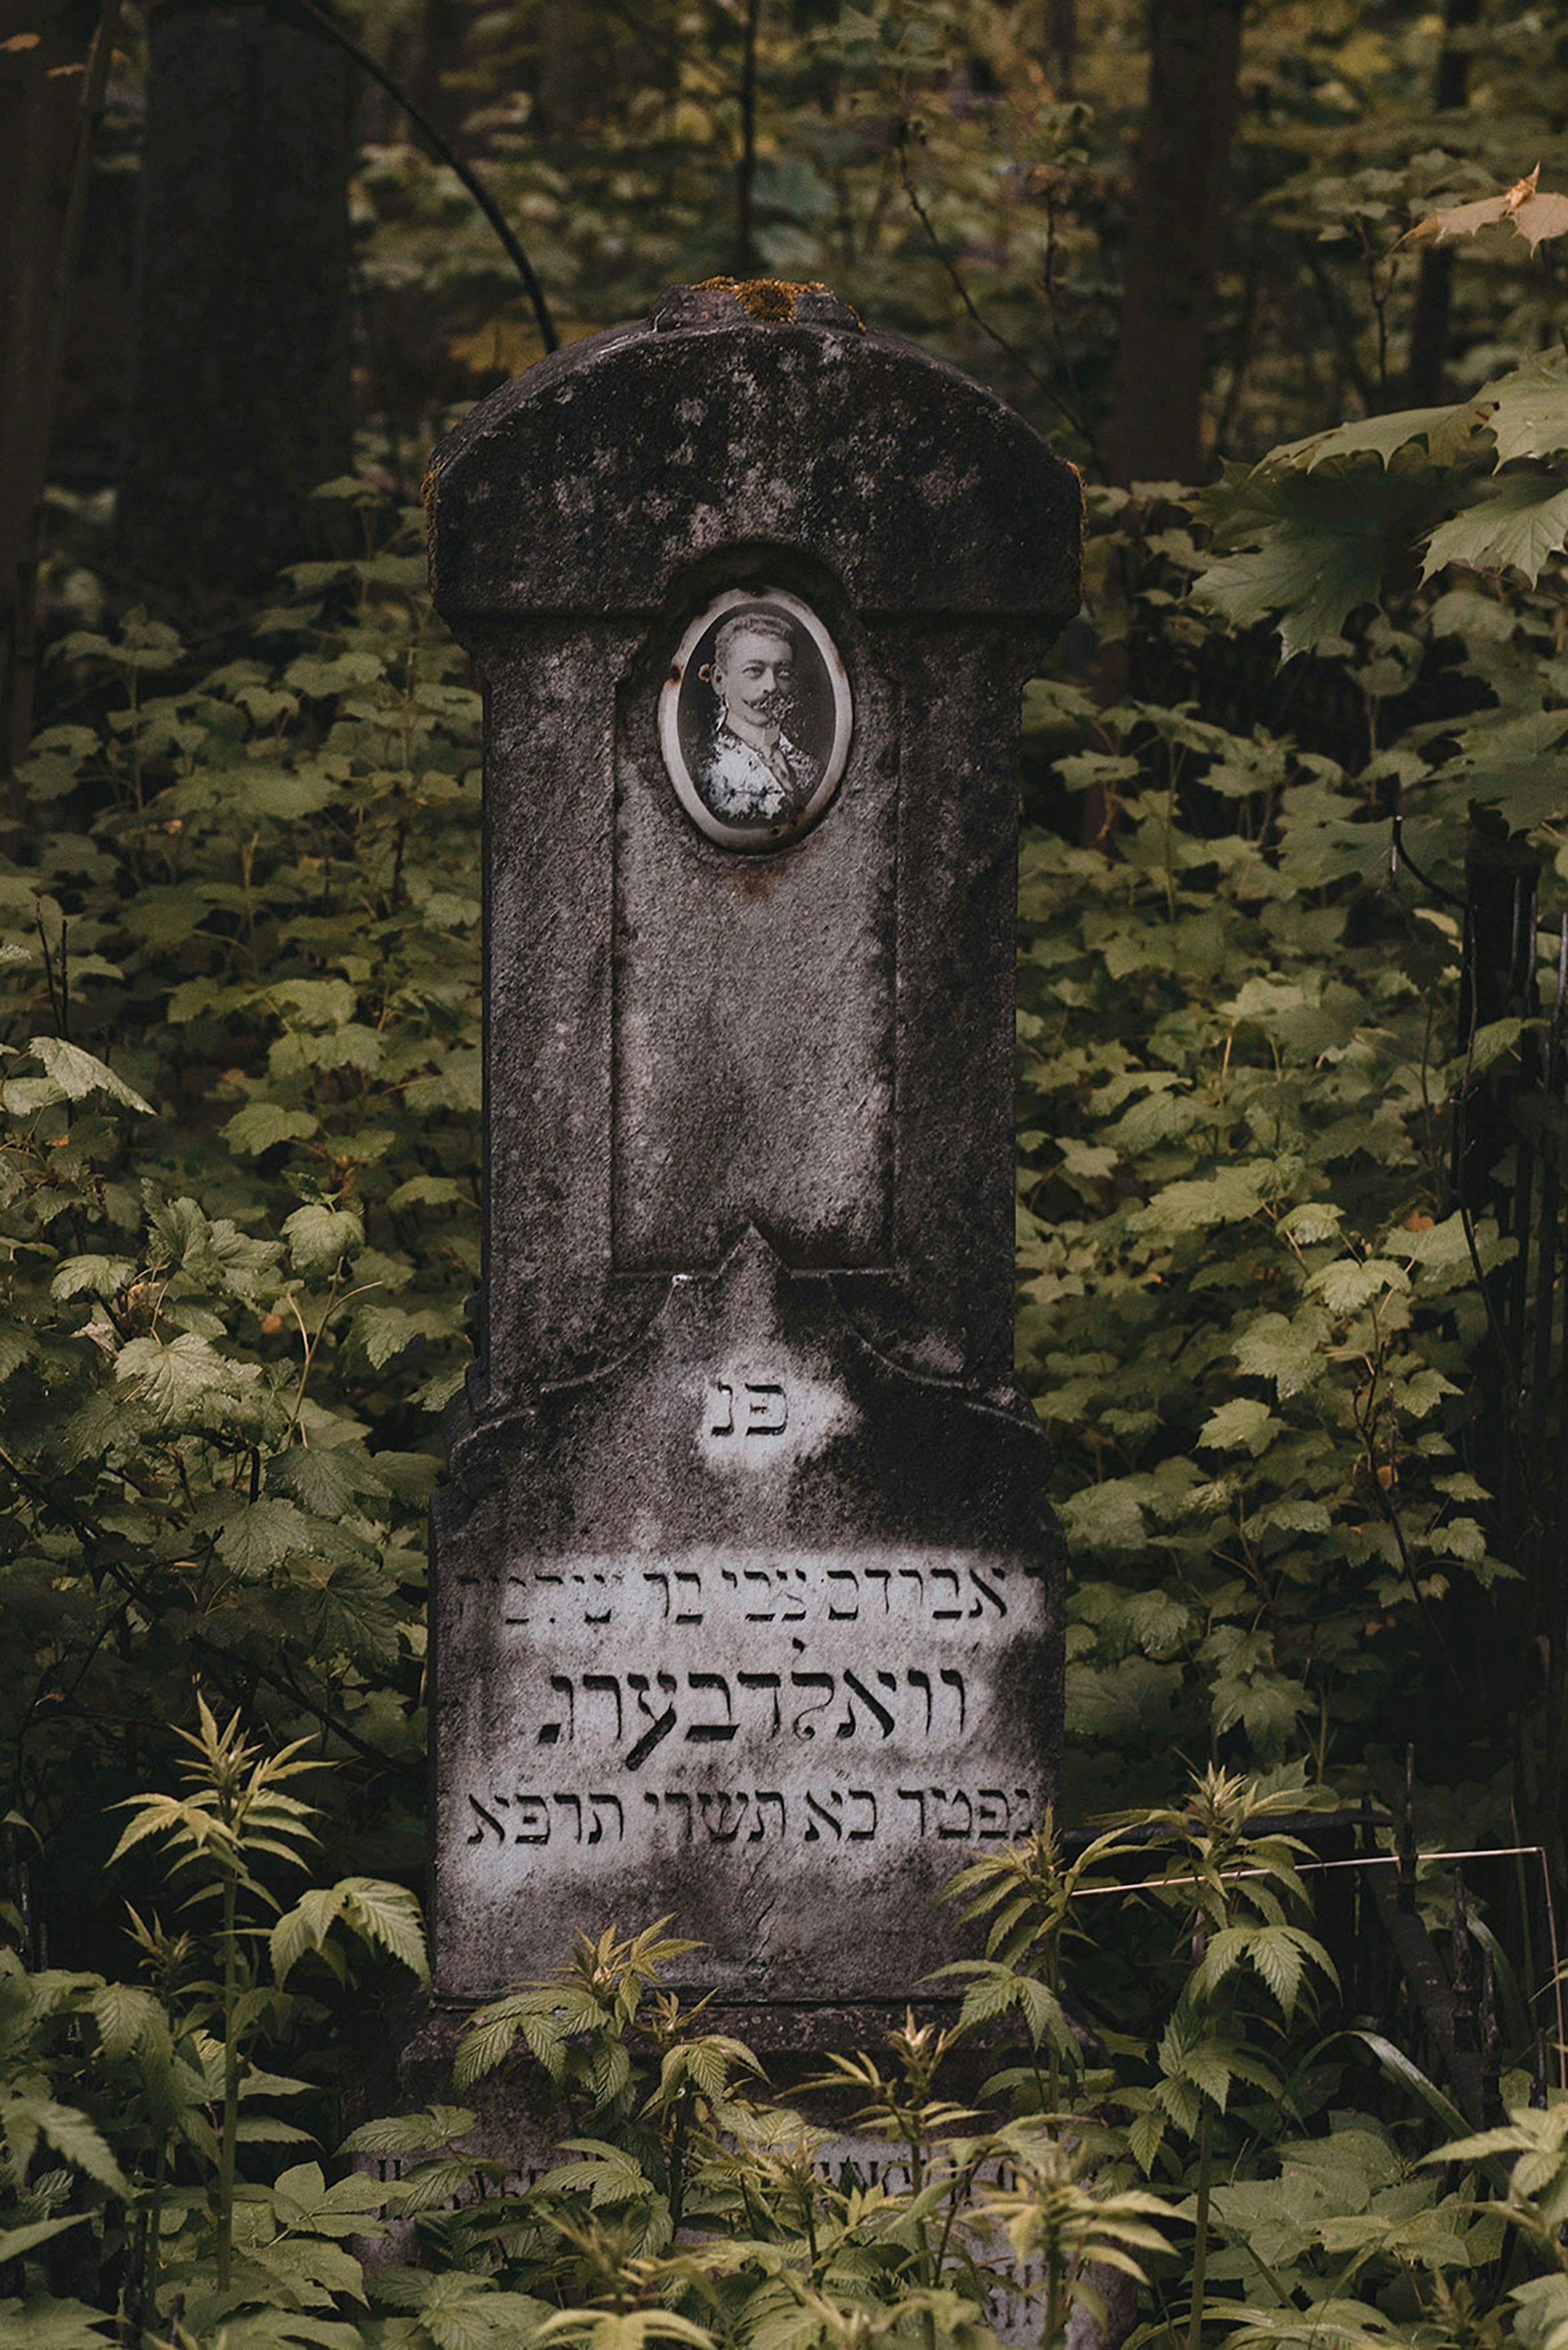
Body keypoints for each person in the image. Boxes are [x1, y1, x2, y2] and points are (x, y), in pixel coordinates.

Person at [696, 609, 820, 823]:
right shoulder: (704, 770)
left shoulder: (811, 768)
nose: (771, 687)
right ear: (719, 680)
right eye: (754, 670)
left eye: (783, 672)